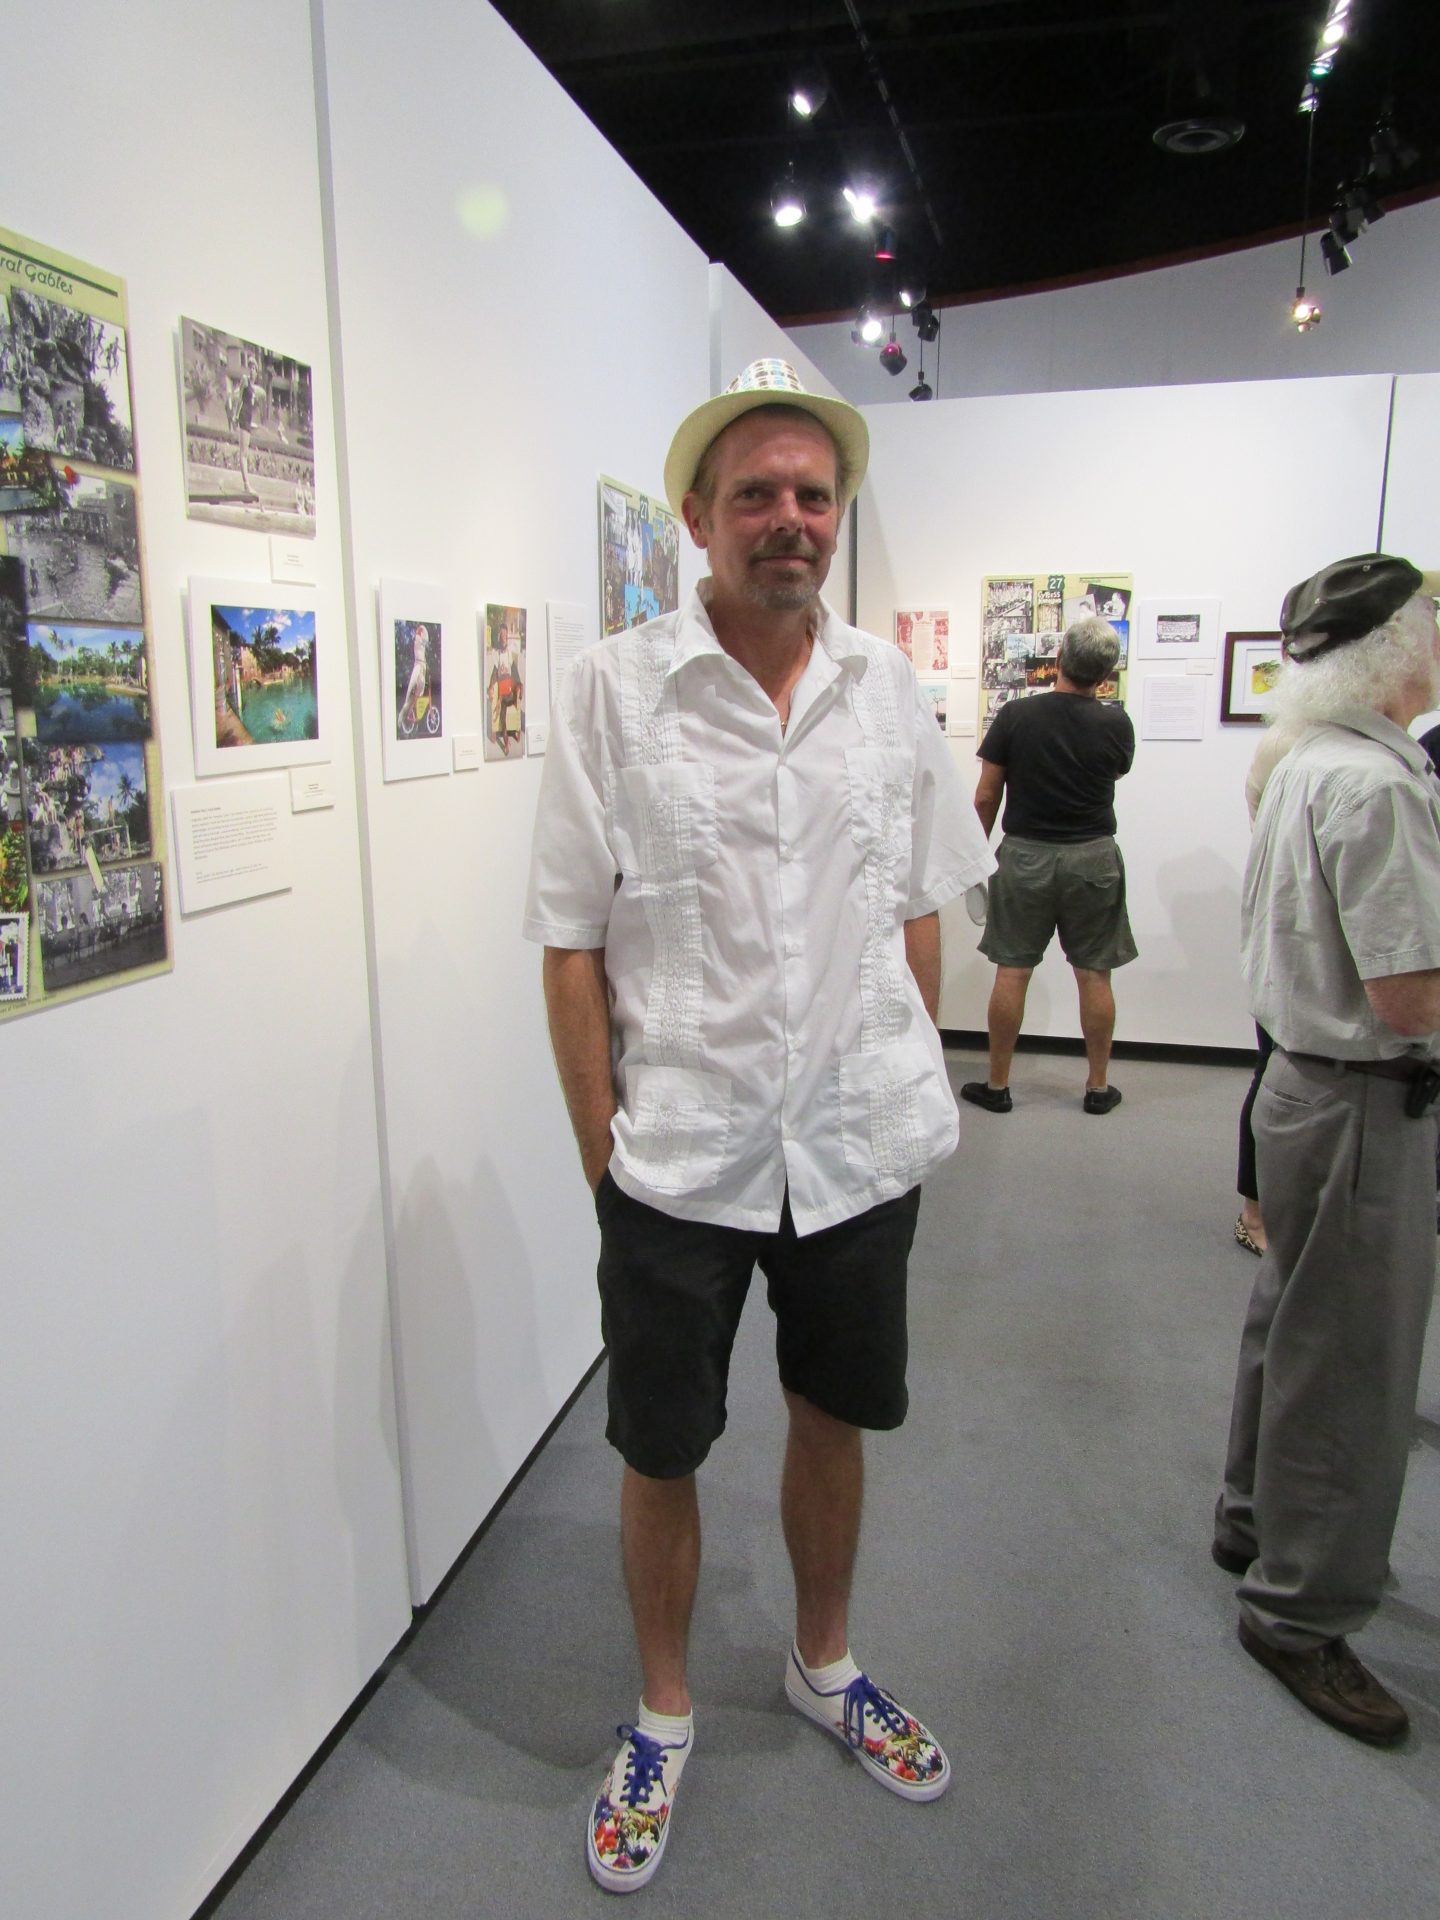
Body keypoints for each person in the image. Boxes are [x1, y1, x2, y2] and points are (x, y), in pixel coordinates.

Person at [523, 359, 994, 1893]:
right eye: (755, 496)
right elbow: (571, 946)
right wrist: (607, 1158)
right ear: (695, 521)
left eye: (811, 495)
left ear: (835, 515)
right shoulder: (612, 692)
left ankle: (821, 1658)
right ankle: (662, 1713)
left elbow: (918, 904)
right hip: (681, 1155)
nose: (787, 519)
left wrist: (900, 1063)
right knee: (660, 1446)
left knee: (834, 1415)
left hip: (853, 1145)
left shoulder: (886, 692)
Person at [1214, 552, 1440, 1746]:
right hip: (1364, 1099)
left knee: (1293, 1318)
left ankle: (1253, 1519)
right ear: (1395, 648)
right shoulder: (1380, 788)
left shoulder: (1301, 760)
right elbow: (1411, 997)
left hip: (1302, 1088)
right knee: (1353, 1363)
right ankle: (1300, 1610)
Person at [962, 617, 1136, 1114]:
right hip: (1093, 858)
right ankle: (1098, 1087)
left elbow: (986, 794)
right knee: (1094, 975)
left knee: (1012, 972)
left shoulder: (1016, 716)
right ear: (1105, 674)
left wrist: (975, 856)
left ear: (1059, 657)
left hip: (1025, 858)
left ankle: (997, 1087)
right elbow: (1118, 770)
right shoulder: (1116, 722)